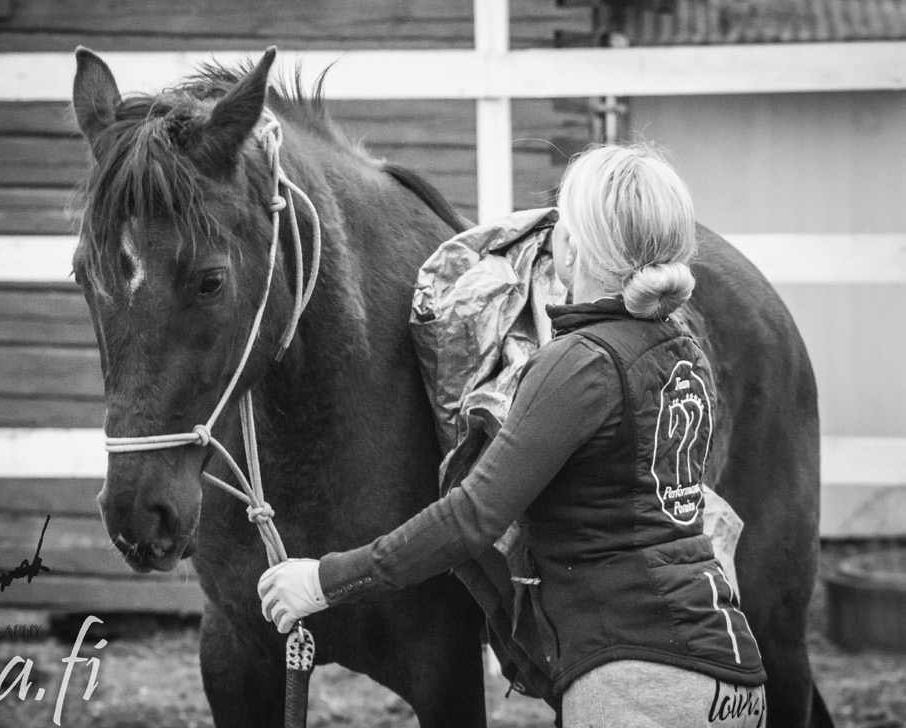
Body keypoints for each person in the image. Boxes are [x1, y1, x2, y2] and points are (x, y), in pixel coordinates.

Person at [257, 143, 767, 727]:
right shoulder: (686, 355)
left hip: (635, 681)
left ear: (572, 246)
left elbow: (470, 519)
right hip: (735, 679)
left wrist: (324, 580)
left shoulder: (579, 363)